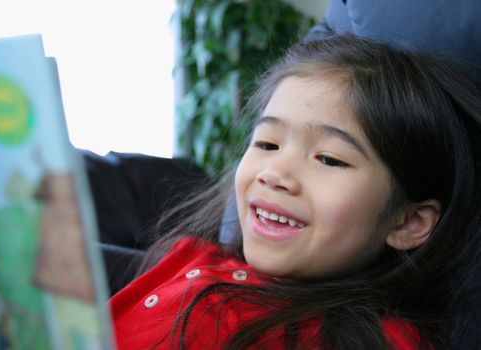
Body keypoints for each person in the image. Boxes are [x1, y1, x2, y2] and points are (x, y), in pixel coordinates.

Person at [109, 33, 481, 349]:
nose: (275, 173)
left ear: (409, 221)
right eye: (267, 144)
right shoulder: (190, 256)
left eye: (329, 159)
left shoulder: (371, 339)